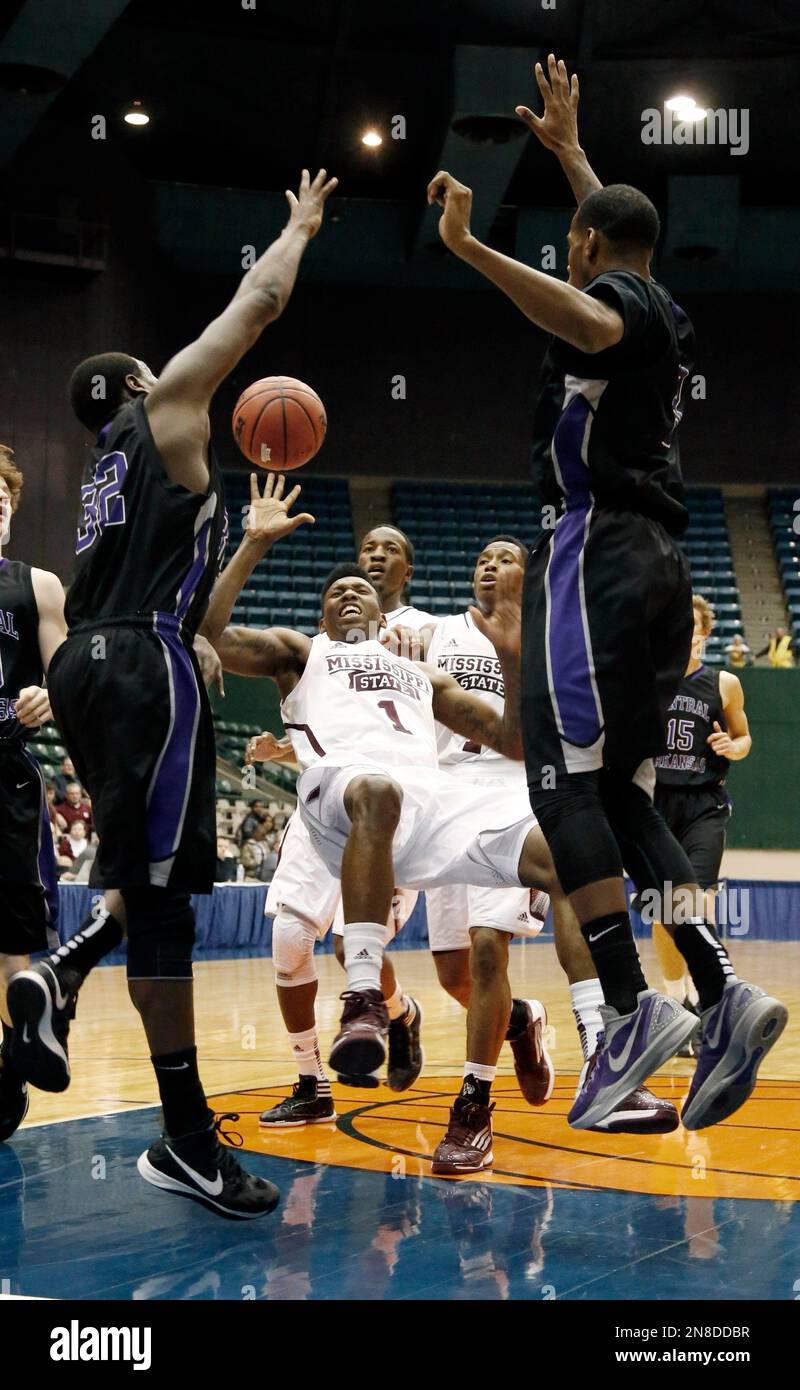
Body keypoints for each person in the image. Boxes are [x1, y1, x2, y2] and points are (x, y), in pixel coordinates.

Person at [424, 54, 787, 1131]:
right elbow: (616, 252)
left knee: (558, 786)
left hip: (594, 555)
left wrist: (466, 245)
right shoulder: (658, 293)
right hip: (660, 568)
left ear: (582, 251)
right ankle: (721, 987)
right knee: (624, 794)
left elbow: (593, 317)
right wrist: (574, 154)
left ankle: (628, 1005)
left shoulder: (616, 301)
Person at [7, 166, 337, 1218]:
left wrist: (240, 548)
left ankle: (67, 981)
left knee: (147, 893)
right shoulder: (168, 411)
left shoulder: (107, 478)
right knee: (162, 912)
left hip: (91, 666)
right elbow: (257, 307)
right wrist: (295, 227)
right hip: (148, 665)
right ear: (145, 383)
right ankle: (177, 1129)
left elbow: (190, 615)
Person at [394, 535, 677, 1135]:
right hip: (442, 794)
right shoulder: (437, 632)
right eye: (481, 558)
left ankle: (477, 1102)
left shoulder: (556, 639)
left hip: (516, 788)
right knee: (455, 975)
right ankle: (522, 1021)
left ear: (530, 576)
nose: (490, 565)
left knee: (488, 946)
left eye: (505, 559)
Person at [200, 510, 436, 1126]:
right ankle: (311, 1081)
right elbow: (206, 630)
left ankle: (399, 1009)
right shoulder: (305, 652)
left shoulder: (423, 647)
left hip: (399, 808)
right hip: (324, 803)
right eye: (337, 590)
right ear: (323, 612)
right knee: (288, 941)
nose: (352, 590)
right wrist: (250, 544)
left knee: (344, 944)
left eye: (360, 586)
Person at [0, 445, 68, 1142]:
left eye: (3, 497)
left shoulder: (38, 586)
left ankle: (11, 1058)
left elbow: (70, 675)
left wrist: (50, 692)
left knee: (12, 934)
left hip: (5, 771)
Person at [651, 595, 752, 1052]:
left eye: (690, 624)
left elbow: (744, 735)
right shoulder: (646, 679)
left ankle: (703, 996)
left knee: (694, 901)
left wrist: (734, 746)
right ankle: (677, 1003)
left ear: (704, 633)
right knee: (660, 907)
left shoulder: (724, 683)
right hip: (653, 802)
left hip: (704, 803)